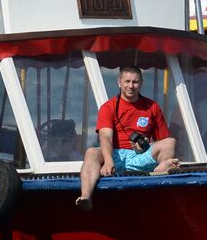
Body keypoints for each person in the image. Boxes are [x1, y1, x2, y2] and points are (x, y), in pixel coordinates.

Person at [77, 66, 179, 209]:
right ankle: (86, 197)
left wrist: (144, 146)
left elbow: (163, 140)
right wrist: (108, 161)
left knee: (170, 142)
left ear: (141, 84)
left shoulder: (152, 107)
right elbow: (105, 137)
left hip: (141, 156)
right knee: (91, 152)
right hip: (116, 155)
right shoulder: (108, 107)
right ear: (119, 83)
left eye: (135, 82)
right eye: (127, 81)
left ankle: (159, 178)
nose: (131, 86)